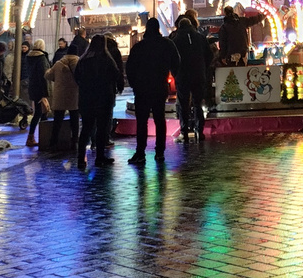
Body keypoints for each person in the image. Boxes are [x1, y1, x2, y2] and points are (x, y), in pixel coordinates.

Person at [125, 20, 179, 164]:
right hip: (159, 87)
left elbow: (129, 68)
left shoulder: (139, 47)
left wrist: (135, 85)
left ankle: (140, 152)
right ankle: (160, 152)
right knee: (159, 119)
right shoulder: (167, 45)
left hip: (142, 89)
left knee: (142, 122)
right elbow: (177, 63)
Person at [73, 35, 121, 168]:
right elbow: (116, 74)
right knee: (101, 128)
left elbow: (76, 77)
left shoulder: (83, 60)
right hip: (104, 98)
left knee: (86, 128)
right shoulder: (107, 59)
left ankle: (81, 158)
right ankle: (100, 157)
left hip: (86, 99)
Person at [172, 15, 208, 142]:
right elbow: (209, 55)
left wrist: (175, 72)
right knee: (198, 103)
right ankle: (200, 131)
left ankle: (184, 132)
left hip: (183, 76)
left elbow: (173, 59)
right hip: (198, 75)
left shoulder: (175, 41)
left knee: (183, 104)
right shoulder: (201, 38)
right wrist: (203, 68)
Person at [46, 46, 80, 151]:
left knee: (57, 121)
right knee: (74, 120)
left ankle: (53, 144)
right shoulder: (79, 63)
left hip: (60, 96)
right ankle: (74, 143)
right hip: (74, 95)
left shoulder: (58, 64)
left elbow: (48, 76)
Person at [24, 39, 51, 149]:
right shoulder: (41, 58)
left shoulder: (29, 57)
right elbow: (44, 75)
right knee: (41, 113)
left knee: (40, 112)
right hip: (40, 88)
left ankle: (34, 136)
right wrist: (45, 92)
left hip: (33, 87)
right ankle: (40, 138)